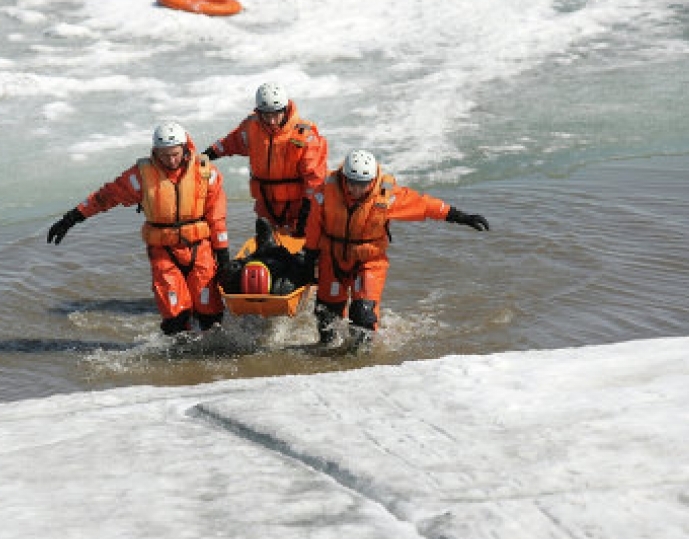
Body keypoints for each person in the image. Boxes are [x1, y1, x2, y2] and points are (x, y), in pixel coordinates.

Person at [46, 121, 231, 336]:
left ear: (185, 149)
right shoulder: (140, 176)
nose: (171, 160)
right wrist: (72, 218)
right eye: (164, 155)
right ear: (155, 152)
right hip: (164, 252)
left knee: (211, 316)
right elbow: (106, 196)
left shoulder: (205, 173)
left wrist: (223, 256)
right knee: (175, 320)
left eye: (175, 154)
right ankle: (178, 361)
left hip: (200, 249)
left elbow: (217, 218)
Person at [300, 149, 490, 344]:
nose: (357, 190)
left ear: (372, 180)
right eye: (352, 183)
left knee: (363, 316)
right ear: (344, 177)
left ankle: (361, 362)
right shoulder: (326, 192)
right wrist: (309, 257)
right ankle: (330, 363)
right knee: (326, 319)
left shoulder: (387, 196)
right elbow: (314, 226)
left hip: (368, 261)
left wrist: (461, 217)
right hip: (332, 259)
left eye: (363, 184)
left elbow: (424, 206)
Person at [203, 82, 328, 237]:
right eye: (266, 115)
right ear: (259, 111)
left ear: (285, 109)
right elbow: (229, 143)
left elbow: (315, 179)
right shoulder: (251, 127)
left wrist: (307, 211)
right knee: (265, 246)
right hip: (265, 204)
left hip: (297, 206)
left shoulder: (304, 136)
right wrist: (206, 156)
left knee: (301, 246)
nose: (271, 121)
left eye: (276, 114)